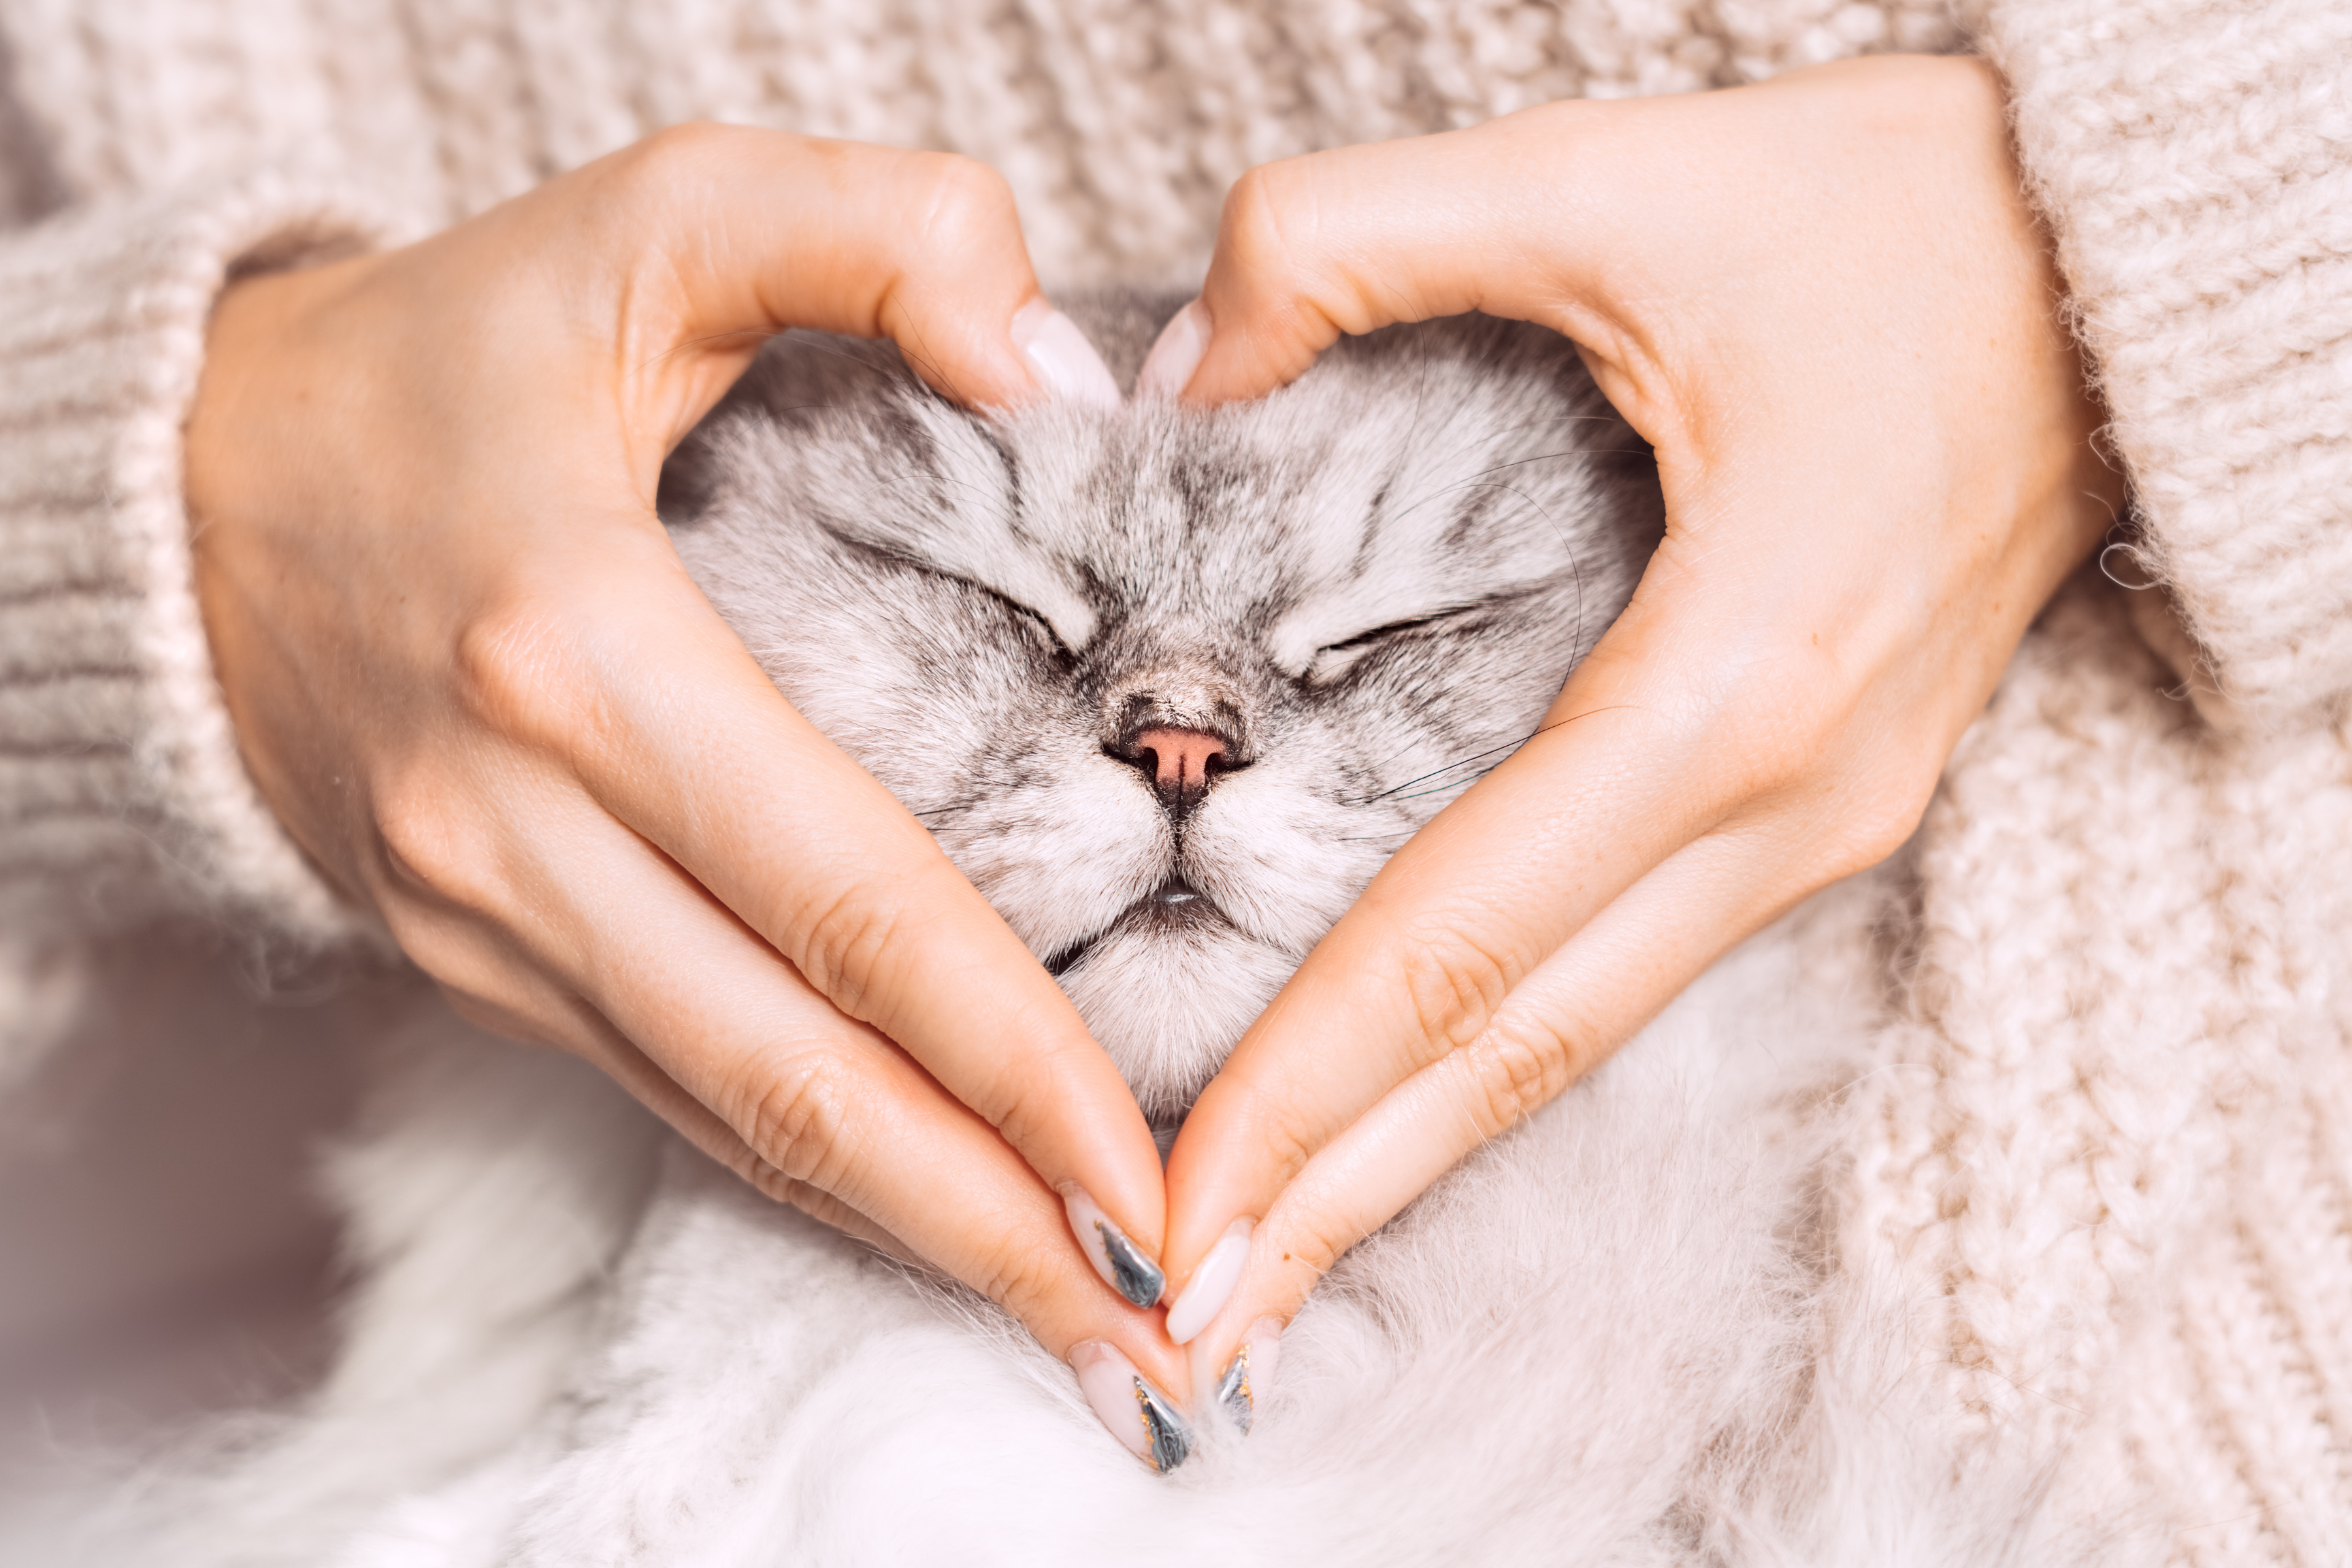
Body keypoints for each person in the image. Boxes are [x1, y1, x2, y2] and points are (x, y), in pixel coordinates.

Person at [1, 1, 2345, 1552]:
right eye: (1016, 624)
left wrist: (2132, 235)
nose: (1179, 737)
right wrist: (153, 496)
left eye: (1381, 641)